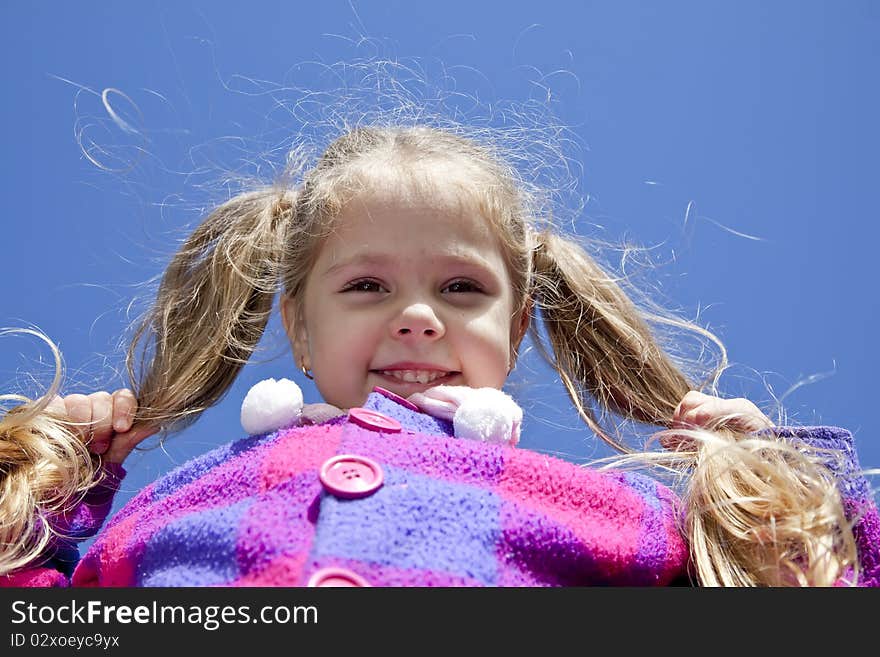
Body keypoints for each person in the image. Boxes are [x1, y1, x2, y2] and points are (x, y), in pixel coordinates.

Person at [1, 125, 877, 587]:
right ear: (299, 328)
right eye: (366, 287)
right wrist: (50, 503)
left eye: (461, 288)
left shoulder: (624, 515)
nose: (418, 317)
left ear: (519, 321)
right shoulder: (164, 506)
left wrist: (793, 503)